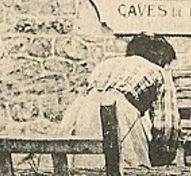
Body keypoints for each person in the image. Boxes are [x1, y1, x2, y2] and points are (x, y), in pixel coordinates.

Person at [60, 34, 180, 167]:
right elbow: (166, 127)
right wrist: (161, 156)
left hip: (84, 111)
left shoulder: (107, 63)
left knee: (89, 165)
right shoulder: (158, 72)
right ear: (161, 58)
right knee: (130, 168)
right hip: (120, 112)